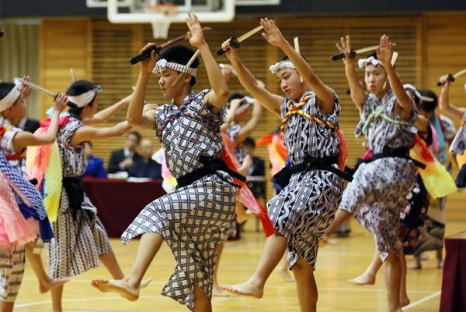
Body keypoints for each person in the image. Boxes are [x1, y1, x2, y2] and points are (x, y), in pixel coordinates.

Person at [91, 13, 238, 312]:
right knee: (197, 281)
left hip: (212, 187)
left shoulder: (203, 104)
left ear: (186, 75)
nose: (161, 81)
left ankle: (132, 280)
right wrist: (144, 73)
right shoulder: (163, 114)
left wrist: (203, 46)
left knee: (157, 209)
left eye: (165, 75)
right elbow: (133, 119)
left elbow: (222, 91)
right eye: (158, 77)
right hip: (189, 192)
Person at [221, 19, 349, 312]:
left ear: (301, 76)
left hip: (322, 180)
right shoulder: (285, 107)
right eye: (280, 80)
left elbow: (312, 75)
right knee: (301, 263)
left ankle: (257, 281)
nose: (283, 83)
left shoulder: (324, 100)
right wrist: (234, 58)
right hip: (299, 181)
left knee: (278, 211)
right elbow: (253, 87)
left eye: (287, 76)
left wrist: (282, 45)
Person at [331, 35, 420, 312]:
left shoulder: (402, 97)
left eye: (375, 73)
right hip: (385, 170)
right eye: (367, 73)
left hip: (393, 166)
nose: (370, 78)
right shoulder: (369, 104)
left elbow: (404, 101)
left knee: (358, 182)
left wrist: (388, 66)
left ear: (388, 73)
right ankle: (395, 305)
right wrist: (348, 63)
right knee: (389, 240)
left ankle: (321, 232)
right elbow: (356, 90)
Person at [45, 80, 144, 312]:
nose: (98, 106)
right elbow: (116, 130)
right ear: (87, 105)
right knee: (60, 256)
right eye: (95, 103)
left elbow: (100, 119)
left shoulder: (68, 119)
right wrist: (138, 113)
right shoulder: (76, 130)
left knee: (99, 236)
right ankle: (56, 309)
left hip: (76, 194)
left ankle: (124, 283)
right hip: (63, 198)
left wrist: (127, 101)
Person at [0, 79, 69, 312]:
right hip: (7, 210)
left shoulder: (5, 126)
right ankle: (43, 280)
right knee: (12, 273)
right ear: (9, 108)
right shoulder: (13, 136)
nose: (25, 105)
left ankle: (43, 280)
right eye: (21, 102)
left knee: (29, 244)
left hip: (8, 205)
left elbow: (9, 118)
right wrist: (57, 111)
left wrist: (20, 96)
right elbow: (48, 138)